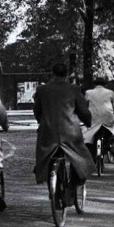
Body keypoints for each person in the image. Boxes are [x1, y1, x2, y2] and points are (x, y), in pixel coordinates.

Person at [33, 63, 94, 194]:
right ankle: (73, 186)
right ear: (66, 74)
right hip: (70, 132)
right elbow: (83, 111)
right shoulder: (74, 89)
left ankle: (47, 178)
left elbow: (37, 111)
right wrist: (88, 122)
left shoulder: (42, 90)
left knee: (44, 157)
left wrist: (42, 122)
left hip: (48, 133)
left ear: (52, 73)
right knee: (81, 159)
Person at [83, 78, 114, 155]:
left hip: (93, 118)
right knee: (112, 127)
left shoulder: (88, 93)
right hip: (107, 118)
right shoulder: (111, 93)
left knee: (88, 132)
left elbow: (84, 105)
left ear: (94, 84)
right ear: (105, 85)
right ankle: (112, 143)